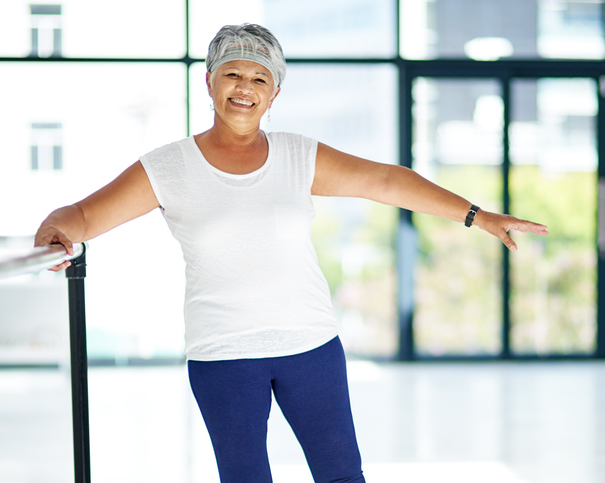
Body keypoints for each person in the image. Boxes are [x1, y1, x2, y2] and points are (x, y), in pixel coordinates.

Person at [34, 23, 548, 483]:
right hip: (223, 355)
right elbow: (81, 216)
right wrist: (55, 228)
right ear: (209, 81)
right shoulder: (169, 167)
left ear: (275, 92)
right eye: (232, 73)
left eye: (259, 79)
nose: (244, 88)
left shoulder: (298, 156)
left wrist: (478, 215)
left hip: (311, 345)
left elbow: (388, 181)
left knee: (342, 476)